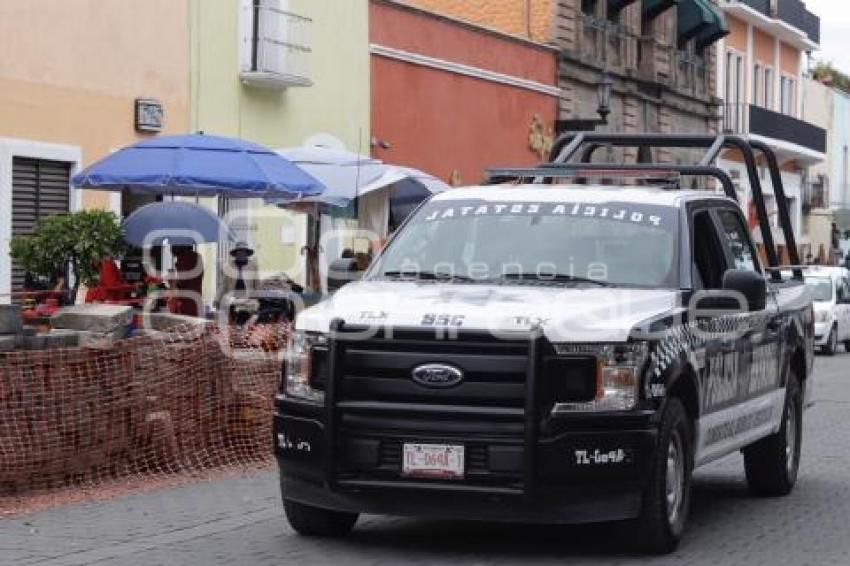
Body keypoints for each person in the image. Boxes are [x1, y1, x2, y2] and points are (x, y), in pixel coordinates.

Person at [169, 245, 204, 317]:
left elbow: (180, 284)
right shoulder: (196, 257)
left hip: (186, 303)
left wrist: (172, 278)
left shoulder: (185, 259)